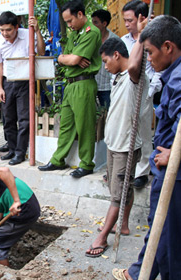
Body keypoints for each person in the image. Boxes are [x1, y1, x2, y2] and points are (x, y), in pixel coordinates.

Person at [112, 15, 181, 280]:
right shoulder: (171, 72)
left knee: (168, 235)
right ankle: (140, 272)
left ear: (168, 47)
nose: (148, 58)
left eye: (151, 51)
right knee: (164, 230)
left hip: (173, 172)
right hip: (168, 165)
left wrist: (175, 154)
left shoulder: (178, 79)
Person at [85, 37, 149, 257]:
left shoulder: (134, 77)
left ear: (117, 55)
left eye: (105, 61)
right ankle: (122, 224)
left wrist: (141, 35)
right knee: (122, 188)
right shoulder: (118, 77)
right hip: (114, 144)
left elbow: (133, 65)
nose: (105, 66)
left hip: (125, 147)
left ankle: (102, 237)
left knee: (117, 195)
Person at [38, 0, 101, 178]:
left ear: (80, 14)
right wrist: (66, 58)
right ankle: (58, 160)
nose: (68, 25)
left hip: (84, 83)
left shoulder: (91, 32)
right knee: (66, 124)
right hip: (71, 83)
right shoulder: (75, 32)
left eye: (70, 21)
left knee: (84, 125)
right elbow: (64, 57)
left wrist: (69, 58)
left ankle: (87, 163)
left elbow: (72, 60)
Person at [0, 11, 45, 165]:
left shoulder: (28, 34)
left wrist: (38, 31)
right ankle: (13, 149)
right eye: (2, 30)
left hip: (25, 82)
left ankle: (21, 152)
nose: (5, 34)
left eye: (8, 30)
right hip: (7, 82)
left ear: (16, 27)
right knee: (7, 119)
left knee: (24, 120)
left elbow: (41, 52)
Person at [121, 0, 162, 189]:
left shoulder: (154, 37)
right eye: (125, 20)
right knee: (127, 129)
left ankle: (142, 171)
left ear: (142, 18)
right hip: (126, 89)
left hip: (145, 88)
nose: (127, 24)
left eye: (130, 20)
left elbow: (159, 67)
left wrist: (152, 89)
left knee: (144, 131)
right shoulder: (124, 40)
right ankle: (125, 168)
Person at [91, 9, 119, 109]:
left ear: (104, 23)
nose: (92, 25)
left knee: (108, 115)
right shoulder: (90, 39)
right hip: (92, 84)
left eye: (96, 22)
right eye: (92, 22)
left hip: (107, 86)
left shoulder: (114, 40)